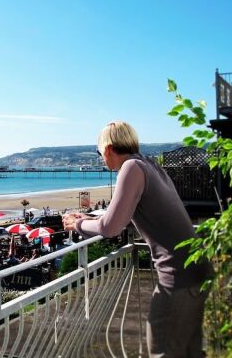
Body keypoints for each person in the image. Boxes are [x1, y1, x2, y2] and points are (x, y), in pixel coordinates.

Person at [63, 121, 212, 358]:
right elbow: (128, 214)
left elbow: (111, 227)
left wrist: (77, 224)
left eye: (99, 152)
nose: (102, 158)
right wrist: (90, 217)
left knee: (162, 350)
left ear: (109, 148)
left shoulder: (130, 168)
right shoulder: (148, 164)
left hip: (178, 275)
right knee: (190, 351)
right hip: (197, 268)